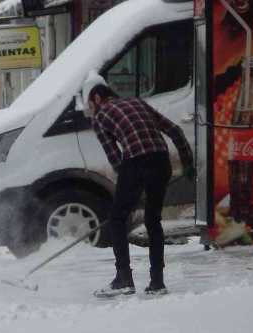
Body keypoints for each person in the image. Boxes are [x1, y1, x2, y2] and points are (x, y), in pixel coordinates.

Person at [83, 74, 195, 297]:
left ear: (97, 98)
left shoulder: (101, 116)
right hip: (161, 161)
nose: (91, 109)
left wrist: (129, 192)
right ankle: (157, 282)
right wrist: (187, 163)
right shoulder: (137, 102)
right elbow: (176, 131)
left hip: (136, 162)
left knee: (116, 218)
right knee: (153, 221)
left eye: (90, 104)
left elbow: (115, 158)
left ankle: (124, 279)